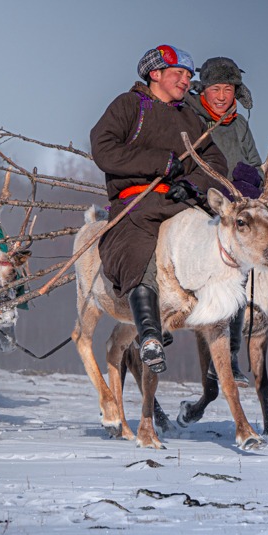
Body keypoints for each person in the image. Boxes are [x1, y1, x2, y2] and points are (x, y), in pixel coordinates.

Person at [89, 44, 230, 374]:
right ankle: (150, 334)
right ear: (155, 74)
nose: (186, 80)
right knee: (136, 246)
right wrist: (158, 163)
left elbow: (215, 162)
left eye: (188, 75)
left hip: (182, 203)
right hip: (136, 203)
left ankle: (226, 330)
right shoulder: (128, 106)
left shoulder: (189, 118)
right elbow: (104, 147)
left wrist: (192, 185)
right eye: (178, 73)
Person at [184, 56, 263, 386]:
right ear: (203, 89)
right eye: (215, 88)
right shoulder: (188, 116)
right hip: (195, 207)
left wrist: (252, 181)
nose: (221, 96)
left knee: (235, 282)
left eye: (228, 89)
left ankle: (229, 355)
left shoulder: (240, 126)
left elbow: (257, 167)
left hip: (234, 217)